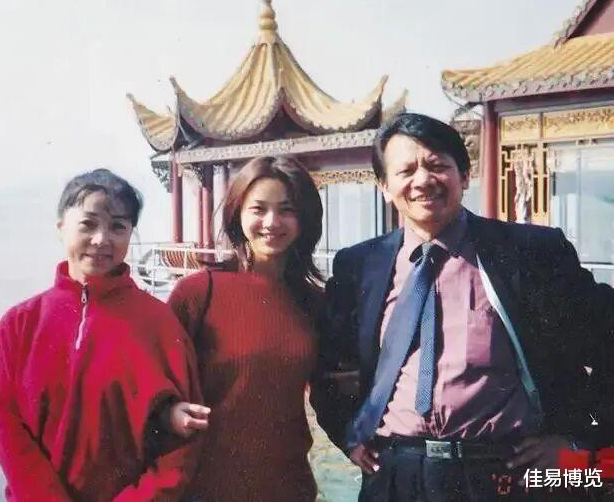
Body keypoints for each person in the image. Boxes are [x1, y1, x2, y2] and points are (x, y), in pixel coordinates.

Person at [310, 113, 614, 501]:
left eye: (437, 165)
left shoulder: (529, 254)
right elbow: (327, 366)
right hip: (396, 476)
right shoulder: (359, 266)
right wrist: (349, 435)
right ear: (384, 187)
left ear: (465, 176)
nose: (423, 180)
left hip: (505, 474)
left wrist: (578, 442)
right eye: (406, 171)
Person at [0, 169, 205, 501]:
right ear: (61, 227)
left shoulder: (159, 324)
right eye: (88, 224)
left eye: (118, 227)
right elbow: (7, 429)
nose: (102, 239)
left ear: (131, 233)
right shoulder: (17, 326)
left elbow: (184, 441)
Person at [167, 155, 324, 502]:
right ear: (238, 212)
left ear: (305, 218)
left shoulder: (314, 303)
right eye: (259, 209)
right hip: (206, 488)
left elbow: (333, 390)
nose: (272, 222)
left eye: (287, 210)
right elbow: (156, 385)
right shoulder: (198, 293)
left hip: (288, 487)